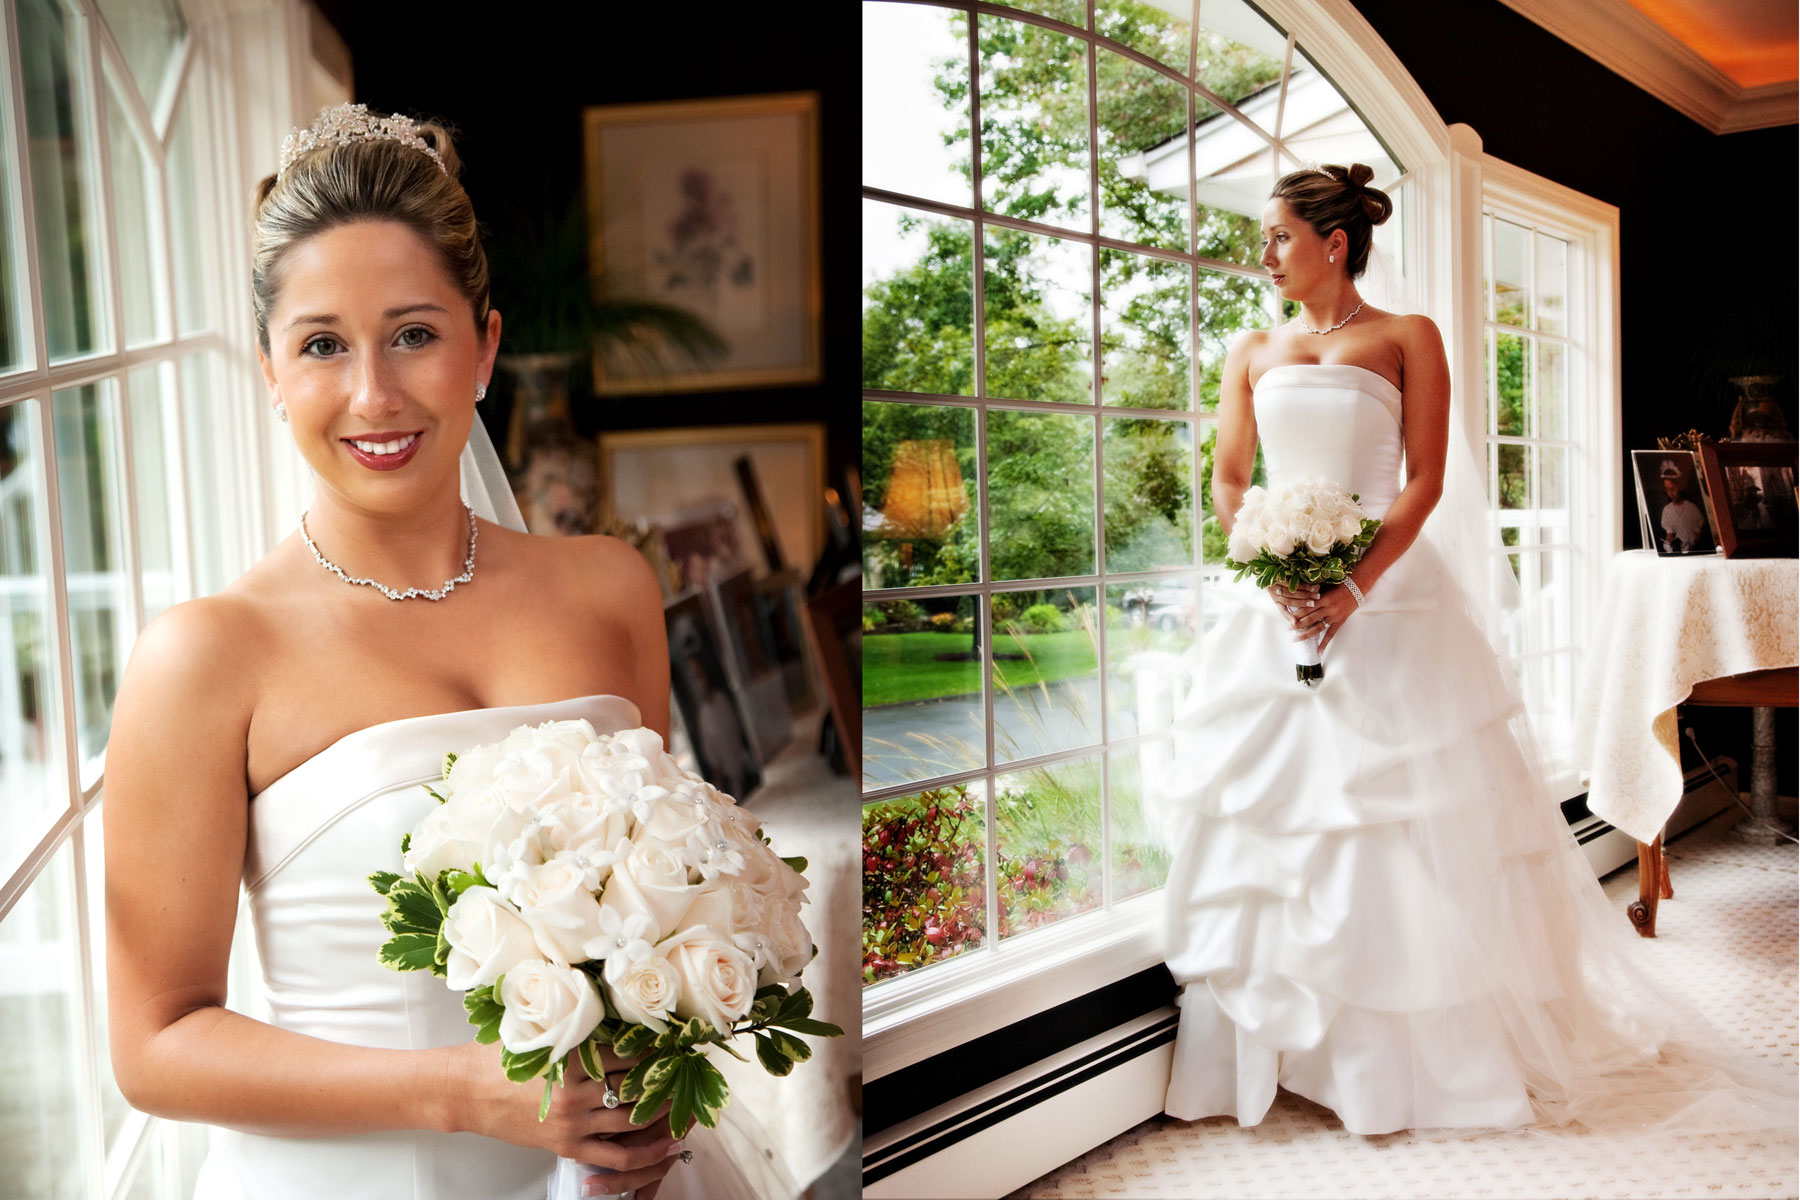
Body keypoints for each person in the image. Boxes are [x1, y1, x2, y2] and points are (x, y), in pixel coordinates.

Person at [102, 105, 789, 1200]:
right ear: (271, 371)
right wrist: (464, 1093)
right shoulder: (204, 658)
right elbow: (154, 1043)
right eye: (322, 344)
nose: (374, 394)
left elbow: (644, 914)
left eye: (415, 333)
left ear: (486, 346)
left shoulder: (610, 588)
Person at [1155, 163, 1796, 1142]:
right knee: (1283, 826)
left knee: (1406, 820)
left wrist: (1352, 587)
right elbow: (1232, 482)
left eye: (1280, 235)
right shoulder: (1250, 349)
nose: (1268, 254)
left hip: (1393, 593)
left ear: (1334, 242)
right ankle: (1296, 1052)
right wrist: (1278, 575)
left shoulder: (1409, 337)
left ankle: (1422, 1065)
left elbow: (1421, 484)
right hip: (1277, 606)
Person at [1657, 462, 1708, 551]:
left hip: (1692, 549)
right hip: (1678, 549)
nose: (1671, 493)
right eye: (1668, 490)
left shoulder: (1691, 508)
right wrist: (1668, 545)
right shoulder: (1667, 510)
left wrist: (1691, 545)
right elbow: (1670, 534)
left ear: (1680, 487)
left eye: (1673, 489)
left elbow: (1698, 534)